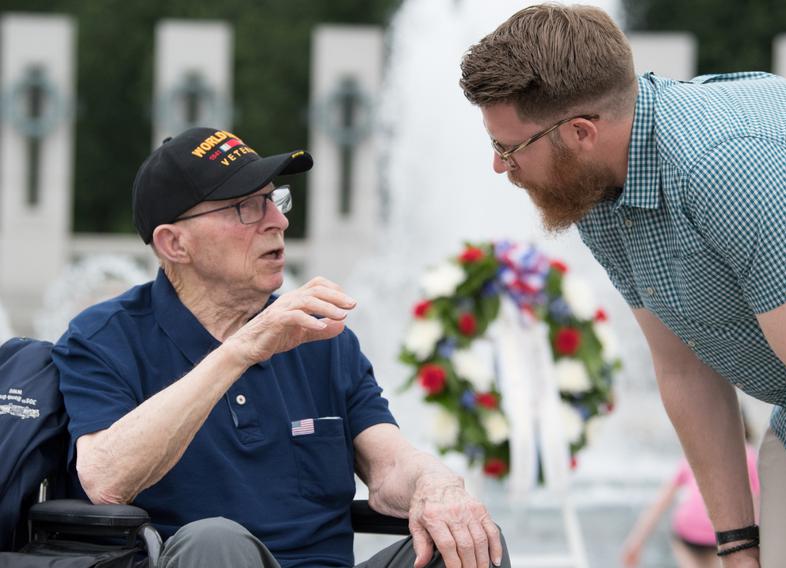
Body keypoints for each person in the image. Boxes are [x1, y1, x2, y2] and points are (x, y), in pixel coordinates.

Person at [459, 4, 786, 568]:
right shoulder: (595, 185)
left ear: (580, 132)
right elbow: (684, 368)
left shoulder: (723, 167)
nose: (499, 167)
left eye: (509, 148)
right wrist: (736, 545)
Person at [52, 127, 509, 568]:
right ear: (175, 244)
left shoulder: (322, 338)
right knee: (215, 540)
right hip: (208, 561)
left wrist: (434, 482)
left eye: (273, 199)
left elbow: (388, 467)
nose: (279, 221)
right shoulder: (103, 339)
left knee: (474, 542)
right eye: (244, 208)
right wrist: (240, 350)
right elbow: (105, 480)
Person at [620, 419, 760, 568]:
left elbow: (661, 502)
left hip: (686, 532)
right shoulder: (747, 454)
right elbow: (758, 500)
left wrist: (636, 541)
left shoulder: (695, 454)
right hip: (722, 534)